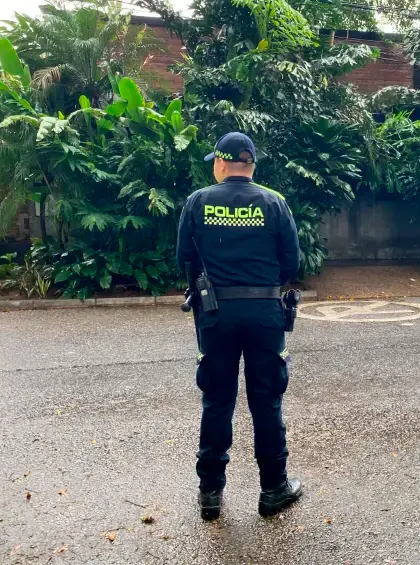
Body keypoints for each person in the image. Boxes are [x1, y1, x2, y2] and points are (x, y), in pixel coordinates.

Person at [176, 132, 302, 520]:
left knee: (217, 400)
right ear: (251, 165)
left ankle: (210, 493)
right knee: (266, 400)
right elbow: (291, 263)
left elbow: (184, 258)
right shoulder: (274, 202)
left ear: (219, 162)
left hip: (215, 313)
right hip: (264, 312)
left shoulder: (198, 202)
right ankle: (273, 489)